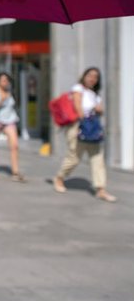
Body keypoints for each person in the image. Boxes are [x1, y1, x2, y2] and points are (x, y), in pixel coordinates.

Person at [53, 67, 117, 202]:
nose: (92, 78)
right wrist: (85, 121)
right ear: (84, 76)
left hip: (93, 126)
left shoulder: (95, 94)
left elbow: (100, 110)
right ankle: (59, 178)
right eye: (90, 75)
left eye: (95, 77)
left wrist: (98, 110)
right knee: (74, 157)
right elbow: (78, 107)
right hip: (78, 126)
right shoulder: (78, 88)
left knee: (97, 158)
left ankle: (101, 189)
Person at [0, 72, 26, 182]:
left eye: (7, 80)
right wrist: (1, 100)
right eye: (3, 80)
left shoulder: (10, 91)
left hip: (10, 120)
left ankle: (15, 171)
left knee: (14, 145)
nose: (5, 82)